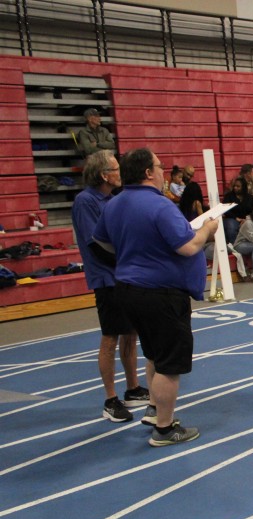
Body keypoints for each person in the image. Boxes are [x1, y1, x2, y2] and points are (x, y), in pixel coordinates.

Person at [92, 147, 219, 446]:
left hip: (128, 289)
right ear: (148, 172)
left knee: (154, 353)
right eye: (160, 167)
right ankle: (164, 428)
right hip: (160, 293)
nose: (164, 172)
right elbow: (188, 246)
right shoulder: (160, 205)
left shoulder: (114, 203)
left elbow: (101, 242)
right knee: (169, 364)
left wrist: (133, 252)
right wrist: (207, 229)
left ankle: (154, 410)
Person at [71, 150, 148, 423]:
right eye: (116, 169)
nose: (120, 173)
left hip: (124, 275)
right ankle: (110, 399)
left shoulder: (113, 199)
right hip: (106, 278)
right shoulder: (86, 201)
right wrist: (128, 258)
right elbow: (96, 245)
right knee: (110, 337)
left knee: (131, 333)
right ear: (104, 175)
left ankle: (133, 388)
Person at [221, 176, 253, 245]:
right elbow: (225, 210)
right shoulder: (228, 196)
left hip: (247, 219)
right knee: (231, 226)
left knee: (250, 224)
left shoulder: (251, 198)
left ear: (243, 187)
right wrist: (236, 218)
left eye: (238, 186)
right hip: (232, 218)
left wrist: (247, 219)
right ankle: (234, 245)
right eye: (234, 186)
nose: (235, 188)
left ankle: (250, 245)